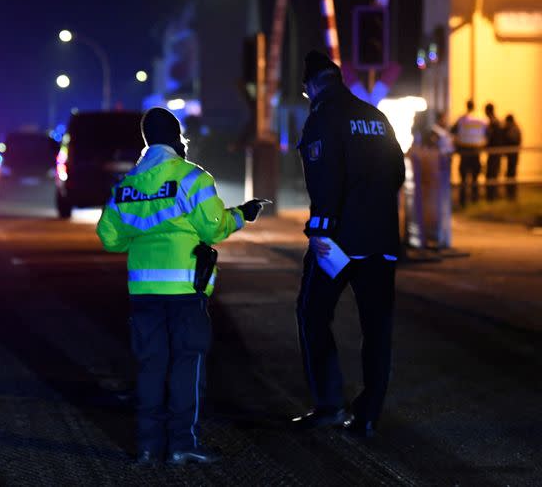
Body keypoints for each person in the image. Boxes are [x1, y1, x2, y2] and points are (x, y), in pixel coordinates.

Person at [96, 107, 265, 465]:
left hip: (143, 293)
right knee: (187, 365)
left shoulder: (127, 185)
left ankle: (146, 445)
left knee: (150, 366)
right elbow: (214, 228)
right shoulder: (192, 178)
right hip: (186, 291)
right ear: (176, 138)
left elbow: (109, 237)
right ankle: (181, 444)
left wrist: (141, 240)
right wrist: (242, 215)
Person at [291, 51, 405, 438]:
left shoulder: (323, 117)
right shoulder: (376, 117)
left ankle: (329, 404)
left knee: (312, 313)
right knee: (377, 327)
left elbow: (323, 181)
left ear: (312, 84)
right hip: (381, 241)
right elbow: (398, 174)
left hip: (338, 242)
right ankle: (369, 415)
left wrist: (321, 234)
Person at [451, 100, 487, 207]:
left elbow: (453, 131)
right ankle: (475, 200)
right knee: (475, 177)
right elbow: (487, 133)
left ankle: (463, 201)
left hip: (465, 152)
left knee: (463, 178)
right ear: (474, 106)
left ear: (466, 106)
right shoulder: (480, 119)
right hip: (476, 151)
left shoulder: (461, 120)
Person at [484, 103, 503, 201]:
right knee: (493, 173)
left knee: (491, 174)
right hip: (496, 152)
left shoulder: (493, 122)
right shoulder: (497, 121)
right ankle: (492, 196)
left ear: (488, 110)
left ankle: (491, 196)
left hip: (494, 153)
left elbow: (490, 137)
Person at [502, 114, 522, 200]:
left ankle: (511, 195)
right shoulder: (515, 128)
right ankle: (510, 194)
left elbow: (511, 140)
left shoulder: (513, 129)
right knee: (511, 173)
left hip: (513, 156)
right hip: (513, 155)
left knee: (511, 174)